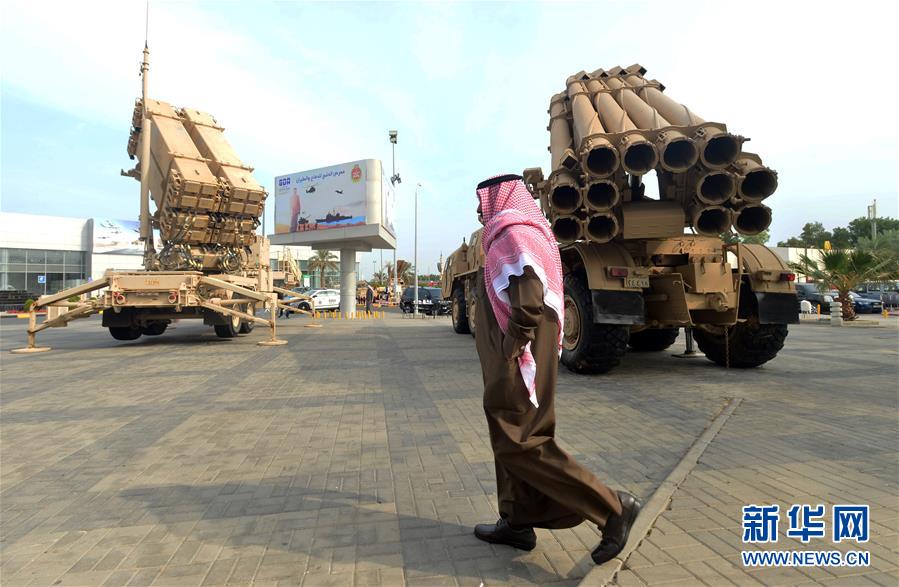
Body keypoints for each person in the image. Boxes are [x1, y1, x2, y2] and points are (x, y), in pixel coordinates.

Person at [471, 174, 641, 565]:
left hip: (518, 357)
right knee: (510, 436)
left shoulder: (510, 231)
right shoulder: (528, 230)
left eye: (482, 200)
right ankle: (516, 521)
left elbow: (528, 298)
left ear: (499, 197)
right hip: (521, 352)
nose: (479, 209)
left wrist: (513, 344)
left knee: (522, 440)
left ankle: (612, 507)